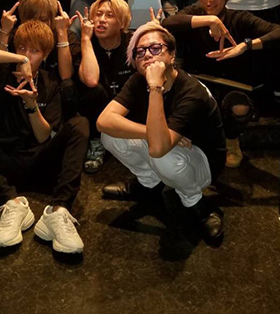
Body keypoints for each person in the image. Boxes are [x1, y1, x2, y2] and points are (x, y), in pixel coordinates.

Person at [0, 20, 89, 254]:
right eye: (22, 48)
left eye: (34, 51)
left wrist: (31, 104)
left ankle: (59, 210)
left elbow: (43, 136)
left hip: (40, 162)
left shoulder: (50, 82)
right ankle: (11, 203)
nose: (27, 55)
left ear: (45, 55)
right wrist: (20, 60)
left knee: (80, 124)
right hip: (4, 162)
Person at [97, 23, 226, 244]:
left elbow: (158, 148)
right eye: (140, 52)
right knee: (110, 136)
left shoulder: (192, 92)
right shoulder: (138, 81)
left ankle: (197, 203)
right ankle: (148, 183)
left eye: (155, 48)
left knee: (162, 154)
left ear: (172, 55)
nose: (147, 55)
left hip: (204, 162)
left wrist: (155, 87)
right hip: (170, 147)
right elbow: (104, 121)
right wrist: (151, 133)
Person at [163, 0, 280, 168]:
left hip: (232, 86)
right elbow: (168, 23)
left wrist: (245, 45)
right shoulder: (193, 15)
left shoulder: (240, 18)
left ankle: (232, 140)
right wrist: (210, 20)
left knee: (240, 108)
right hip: (198, 85)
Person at [77, 0, 133, 172]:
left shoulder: (132, 42)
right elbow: (91, 80)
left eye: (110, 15)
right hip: (98, 109)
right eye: (98, 14)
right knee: (93, 91)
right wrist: (86, 40)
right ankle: (96, 142)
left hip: (127, 105)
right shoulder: (87, 42)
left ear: (122, 22)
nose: (101, 20)